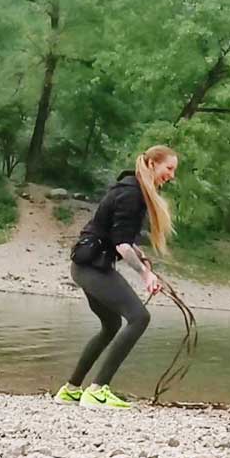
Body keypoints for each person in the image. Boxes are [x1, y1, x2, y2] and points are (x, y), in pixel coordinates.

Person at [54, 145, 178, 409]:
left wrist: (145, 263)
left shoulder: (133, 189)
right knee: (139, 317)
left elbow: (124, 241)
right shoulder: (132, 193)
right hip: (92, 269)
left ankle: (71, 390)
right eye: (169, 168)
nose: (172, 175)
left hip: (87, 267)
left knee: (111, 325)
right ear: (153, 164)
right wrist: (145, 275)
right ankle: (98, 389)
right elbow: (122, 245)